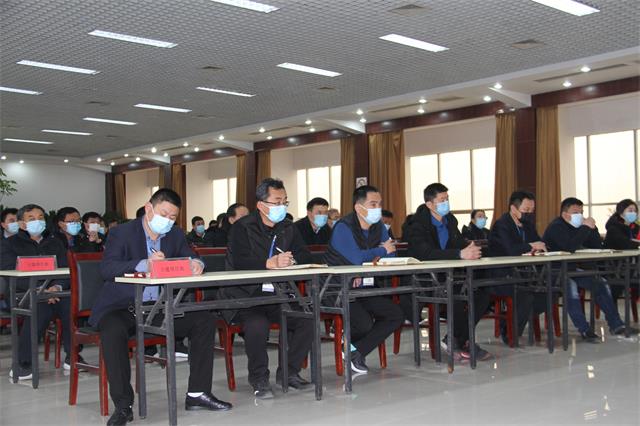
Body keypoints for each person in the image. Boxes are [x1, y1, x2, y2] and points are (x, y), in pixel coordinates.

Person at [89, 189, 231, 425]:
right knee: (112, 332)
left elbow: (191, 256)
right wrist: (144, 264)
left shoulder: (174, 234)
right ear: (149, 208)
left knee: (204, 320)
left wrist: (196, 263)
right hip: (122, 307)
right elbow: (107, 268)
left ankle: (198, 394)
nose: (168, 220)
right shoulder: (122, 233)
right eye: (164, 214)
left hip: (158, 307)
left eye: (173, 217)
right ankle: (123, 406)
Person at [222, 178, 314, 399]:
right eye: (277, 201)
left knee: (306, 319)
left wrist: (292, 260)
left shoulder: (288, 227)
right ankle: (259, 378)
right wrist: (268, 263)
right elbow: (240, 262)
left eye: (285, 201)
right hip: (245, 295)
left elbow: (305, 254)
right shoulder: (242, 227)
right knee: (258, 324)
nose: (282, 206)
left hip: (277, 294)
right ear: (261, 204)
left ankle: (289, 373)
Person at [404, 183, 492, 360]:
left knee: (483, 295)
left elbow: (456, 243)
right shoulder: (416, 225)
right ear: (429, 204)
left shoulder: (450, 220)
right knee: (458, 296)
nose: (446, 203)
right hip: (425, 278)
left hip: (449, 275)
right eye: (442, 200)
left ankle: (456, 339)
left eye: (447, 199)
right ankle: (459, 341)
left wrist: (469, 247)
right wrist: (459, 254)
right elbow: (425, 253)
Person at [324, 185, 404, 374]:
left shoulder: (379, 227)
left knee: (395, 314)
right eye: (373, 204)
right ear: (359, 207)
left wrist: (377, 254)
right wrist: (380, 251)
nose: (378, 208)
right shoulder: (343, 227)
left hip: (365, 286)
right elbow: (357, 258)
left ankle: (356, 351)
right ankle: (349, 344)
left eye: (380, 204)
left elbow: (391, 255)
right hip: (338, 289)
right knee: (364, 323)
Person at [542, 197, 637, 341]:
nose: (580, 215)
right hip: (554, 271)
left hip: (573, 269)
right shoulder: (556, 227)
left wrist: (592, 229)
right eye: (576, 212)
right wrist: (585, 228)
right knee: (571, 287)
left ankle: (616, 325)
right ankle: (585, 330)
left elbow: (597, 246)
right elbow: (569, 247)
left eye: (581, 212)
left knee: (601, 282)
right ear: (565, 214)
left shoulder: (580, 226)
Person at [2, 204, 79, 380]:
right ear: (21, 224)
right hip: (22, 293)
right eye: (32, 218)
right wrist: (40, 290)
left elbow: (67, 270)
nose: (37, 221)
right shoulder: (9, 244)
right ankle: (23, 363)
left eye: (41, 218)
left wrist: (56, 288)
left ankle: (73, 356)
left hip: (55, 292)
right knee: (40, 306)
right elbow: (9, 271)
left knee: (71, 305)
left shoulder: (55, 242)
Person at [488, 191, 548, 344]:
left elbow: (539, 242)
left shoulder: (527, 225)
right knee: (526, 295)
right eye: (526, 210)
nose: (529, 214)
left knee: (549, 292)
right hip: (502, 275)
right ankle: (510, 332)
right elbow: (510, 249)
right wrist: (530, 245)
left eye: (532, 211)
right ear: (513, 208)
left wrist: (539, 247)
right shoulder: (502, 225)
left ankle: (512, 321)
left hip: (523, 274)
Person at [604, 199, 640, 307]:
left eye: (635, 210)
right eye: (630, 210)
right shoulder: (613, 229)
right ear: (621, 213)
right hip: (615, 268)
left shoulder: (635, 228)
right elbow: (626, 244)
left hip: (632, 266)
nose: (633, 213)